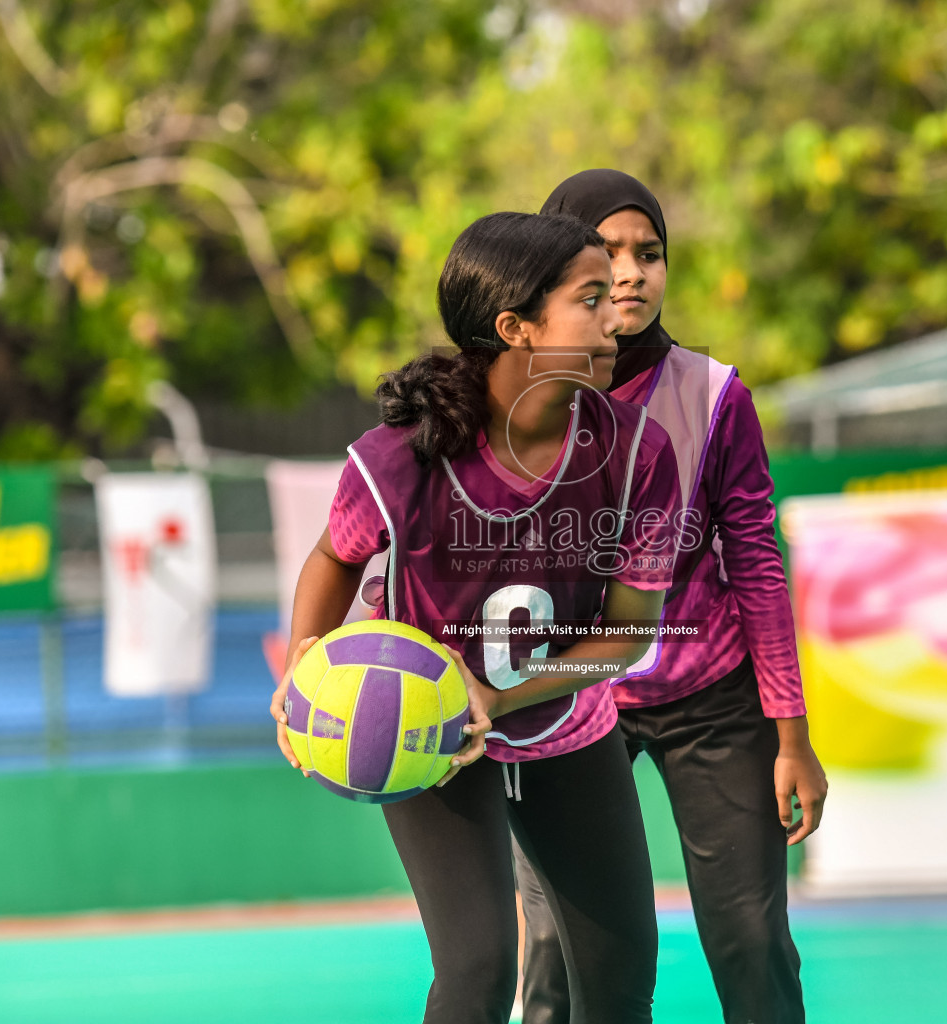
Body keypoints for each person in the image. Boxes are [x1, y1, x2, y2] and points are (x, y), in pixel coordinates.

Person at [269, 211, 683, 1024]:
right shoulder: (396, 461)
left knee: (622, 978)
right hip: (426, 730)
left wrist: (500, 696)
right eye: (590, 299)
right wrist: (303, 666)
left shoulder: (641, 454)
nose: (617, 313)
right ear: (516, 328)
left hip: (567, 721)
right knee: (479, 971)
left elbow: (630, 634)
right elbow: (334, 558)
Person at [515, 170, 829, 1024]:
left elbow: (759, 567)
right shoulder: (511, 402)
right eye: (605, 253)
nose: (630, 273)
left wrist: (791, 735)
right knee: (554, 953)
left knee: (750, 941)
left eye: (648, 253)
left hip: (710, 698)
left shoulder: (714, 395)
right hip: (569, 702)